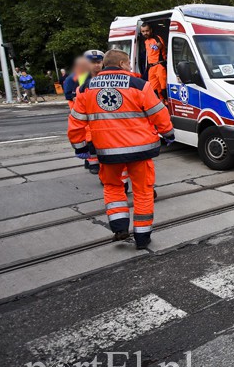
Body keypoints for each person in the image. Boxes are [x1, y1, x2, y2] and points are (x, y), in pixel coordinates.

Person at [68, 49, 174, 249]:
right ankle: (143, 238)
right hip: (140, 150)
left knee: (114, 187)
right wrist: (168, 133)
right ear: (123, 64)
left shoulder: (85, 88)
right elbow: (159, 113)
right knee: (143, 191)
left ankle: (119, 228)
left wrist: (80, 146)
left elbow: (76, 122)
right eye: (128, 64)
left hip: (107, 152)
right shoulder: (139, 85)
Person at [141, 22, 168, 99]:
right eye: (143, 31)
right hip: (151, 67)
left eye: (147, 31)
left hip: (159, 65)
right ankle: (161, 105)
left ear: (151, 30)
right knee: (153, 90)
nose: (145, 33)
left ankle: (166, 105)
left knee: (163, 89)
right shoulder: (146, 41)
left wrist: (156, 46)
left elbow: (160, 45)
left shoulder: (156, 38)